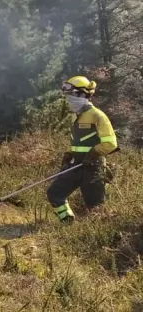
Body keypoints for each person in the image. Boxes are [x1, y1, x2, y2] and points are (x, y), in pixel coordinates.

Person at [46, 76, 117, 223]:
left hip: (93, 166)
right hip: (76, 164)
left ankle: (98, 237)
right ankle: (68, 222)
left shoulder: (98, 116)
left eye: (70, 95)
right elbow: (78, 139)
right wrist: (69, 153)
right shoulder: (75, 116)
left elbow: (111, 143)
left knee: (95, 207)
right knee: (55, 193)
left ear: (82, 95)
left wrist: (93, 154)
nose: (68, 99)